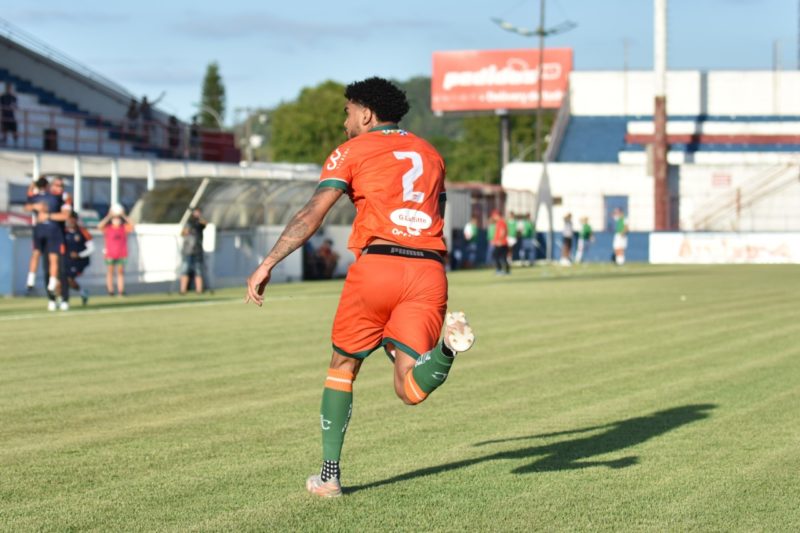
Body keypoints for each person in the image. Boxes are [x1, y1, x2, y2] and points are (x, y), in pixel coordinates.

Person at [244, 77, 475, 498]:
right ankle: (446, 349)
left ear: (366, 113)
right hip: (428, 272)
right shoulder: (431, 153)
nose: (344, 120)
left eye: (347, 112)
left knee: (342, 367)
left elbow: (312, 213)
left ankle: (329, 477)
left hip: (378, 266)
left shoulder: (350, 151)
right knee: (409, 387)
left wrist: (267, 262)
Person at [24, 176, 72, 310]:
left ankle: (64, 298)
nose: (59, 188)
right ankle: (51, 298)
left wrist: (48, 216)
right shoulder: (43, 196)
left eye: (61, 186)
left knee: (62, 271)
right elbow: (28, 202)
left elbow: (65, 215)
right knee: (46, 269)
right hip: (44, 235)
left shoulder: (63, 198)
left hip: (59, 237)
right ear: (51, 186)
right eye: (57, 185)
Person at [98, 205, 133, 296]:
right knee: (110, 271)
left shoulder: (123, 228)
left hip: (121, 253)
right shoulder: (108, 228)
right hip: (110, 253)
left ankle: (121, 290)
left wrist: (123, 215)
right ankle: (110, 290)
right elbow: (99, 226)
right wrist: (109, 215)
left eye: (118, 218)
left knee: (120, 272)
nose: (116, 220)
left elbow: (132, 225)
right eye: (115, 218)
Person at [64, 211, 94, 305]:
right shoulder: (63, 232)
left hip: (79, 262)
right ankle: (82, 292)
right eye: (69, 219)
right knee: (62, 280)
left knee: (68, 279)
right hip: (67, 260)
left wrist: (79, 255)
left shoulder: (82, 232)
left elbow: (92, 248)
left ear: (76, 220)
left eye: (72, 218)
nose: (70, 221)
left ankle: (63, 299)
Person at [180, 208, 207, 294]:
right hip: (187, 251)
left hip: (197, 251)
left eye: (198, 213)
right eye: (196, 212)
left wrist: (199, 218)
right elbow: (183, 233)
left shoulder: (200, 224)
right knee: (185, 270)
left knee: (198, 271)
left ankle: (199, 290)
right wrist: (187, 230)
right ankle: (183, 290)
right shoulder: (188, 223)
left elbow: (205, 223)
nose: (197, 214)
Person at [490, 209, 510, 275]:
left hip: (501, 243)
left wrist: (498, 241)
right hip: (503, 242)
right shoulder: (501, 222)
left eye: (494, 216)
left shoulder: (501, 222)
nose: (493, 218)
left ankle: (499, 270)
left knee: (495, 255)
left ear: (497, 215)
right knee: (503, 257)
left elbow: (502, 232)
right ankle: (507, 271)